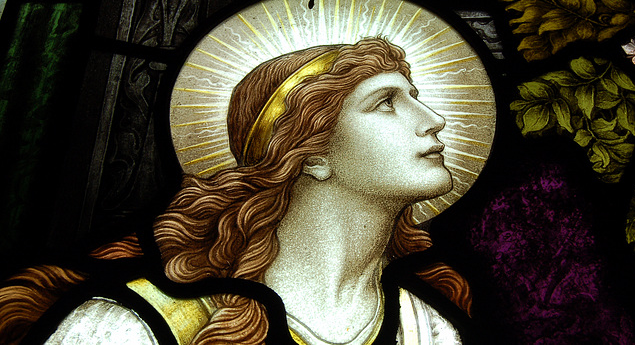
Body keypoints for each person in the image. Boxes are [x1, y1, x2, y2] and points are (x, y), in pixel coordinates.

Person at [3, 37, 475, 345]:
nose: (435, 120)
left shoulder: (428, 326)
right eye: (386, 103)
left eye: (414, 96)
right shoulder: (140, 324)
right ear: (310, 154)